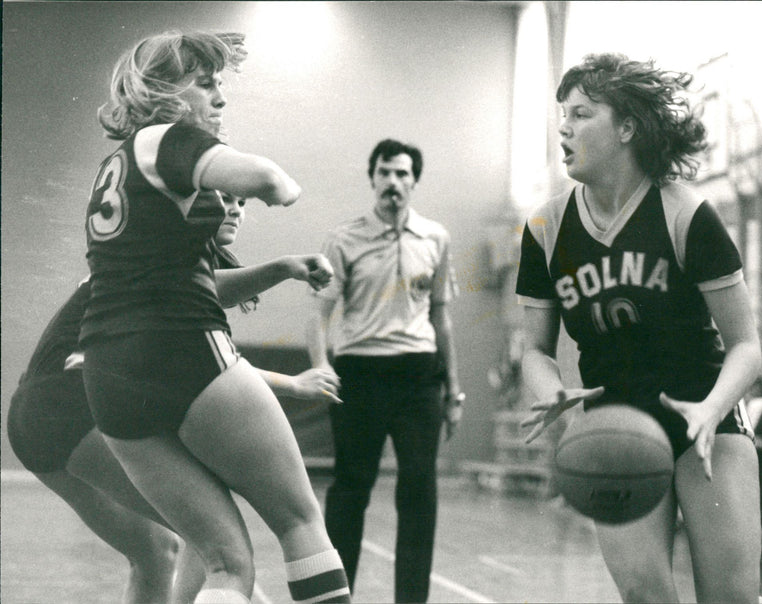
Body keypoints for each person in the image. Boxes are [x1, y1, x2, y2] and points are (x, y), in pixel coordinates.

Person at [78, 31, 350, 604]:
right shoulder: (167, 138)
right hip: (179, 347)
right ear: (163, 91)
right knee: (301, 523)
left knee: (225, 560)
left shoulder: (118, 164)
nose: (219, 100)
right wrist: (286, 188)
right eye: (205, 84)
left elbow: (187, 279)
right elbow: (270, 183)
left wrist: (277, 267)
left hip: (109, 375)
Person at [7, 191, 343, 604]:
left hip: (33, 417)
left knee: (157, 552)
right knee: (210, 537)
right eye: (226, 197)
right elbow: (215, 363)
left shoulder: (157, 258)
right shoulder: (166, 258)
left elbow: (210, 361)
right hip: (69, 400)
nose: (236, 207)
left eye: (243, 202)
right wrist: (282, 271)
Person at [516, 53, 762, 603]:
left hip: (703, 421)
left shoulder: (686, 215)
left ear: (626, 127)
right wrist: (550, 392)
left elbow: (747, 346)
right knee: (646, 597)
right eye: (563, 114)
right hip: (615, 432)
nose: (564, 126)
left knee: (731, 600)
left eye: (582, 114)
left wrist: (712, 409)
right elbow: (535, 349)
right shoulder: (545, 226)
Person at [305, 138, 463, 602]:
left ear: (414, 181)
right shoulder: (343, 239)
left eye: (402, 174)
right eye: (385, 173)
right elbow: (319, 315)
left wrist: (453, 390)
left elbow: (441, 317)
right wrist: (320, 367)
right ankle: (338, 595)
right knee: (352, 487)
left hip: (419, 377)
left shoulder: (436, 238)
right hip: (360, 374)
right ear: (372, 178)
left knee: (420, 488)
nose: (393, 182)